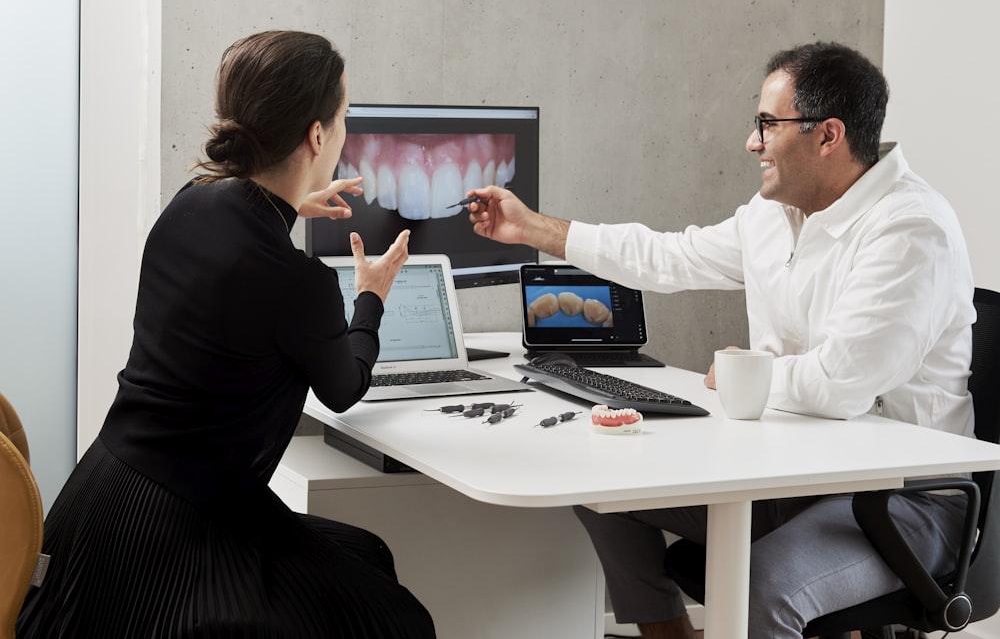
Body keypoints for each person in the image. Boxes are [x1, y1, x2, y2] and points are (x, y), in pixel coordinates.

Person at [463, 42, 976, 639]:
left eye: (766, 124)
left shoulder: (910, 228)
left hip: (901, 500)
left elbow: (841, 384)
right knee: (599, 488)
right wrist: (532, 228)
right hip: (799, 472)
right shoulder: (774, 214)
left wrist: (742, 372)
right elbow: (666, 256)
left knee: (761, 589)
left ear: (827, 135)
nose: (751, 142)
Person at [18, 31, 436, 638]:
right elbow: (344, 387)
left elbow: (242, 242)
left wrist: (294, 204)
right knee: (399, 621)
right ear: (318, 136)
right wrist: (372, 295)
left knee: (367, 558)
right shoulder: (299, 281)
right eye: (343, 117)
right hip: (179, 536)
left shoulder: (191, 202)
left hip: (99, 499)